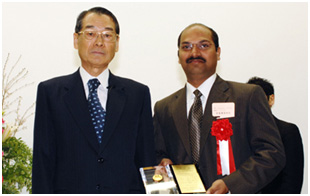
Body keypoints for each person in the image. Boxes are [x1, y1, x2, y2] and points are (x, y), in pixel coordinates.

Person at [32, 7, 155, 194]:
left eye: (107, 35)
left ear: (117, 43)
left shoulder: (137, 94)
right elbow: (43, 161)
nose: (99, 42)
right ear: (76, 39)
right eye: (90, 34)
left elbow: (146, 161)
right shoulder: (50, 92)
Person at [153, 23, 286, 194]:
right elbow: (157, 153)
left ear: (218, 52)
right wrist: (163, 162)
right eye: (186, 47)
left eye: (204, 45)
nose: (194, 53)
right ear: (178, 56)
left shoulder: (247, 96)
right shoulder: (164, 107)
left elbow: (272, 153)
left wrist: (231, 184)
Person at [247, 76, 304, 193]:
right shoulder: (238, 132)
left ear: (271, 99)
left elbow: (292, 180)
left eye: (259, 99)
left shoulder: (288, 131)